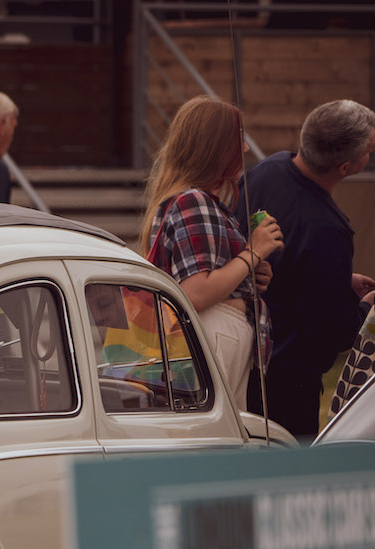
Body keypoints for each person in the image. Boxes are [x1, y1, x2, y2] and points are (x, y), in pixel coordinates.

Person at [238, 99, 375, 438]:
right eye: (369, 149)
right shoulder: (328, 230)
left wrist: (340, 280)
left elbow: (283, 268)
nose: (371, 155)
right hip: (288, 387)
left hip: (241, 365)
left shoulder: (267, 169)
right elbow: (337, 333)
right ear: (344, 167)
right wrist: (364, 307)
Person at [141, 96, 284, 412]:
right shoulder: (193, 200)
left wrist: (248, 268)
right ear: (218, 148)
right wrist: (252, 252)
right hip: (214, 333)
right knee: (215, 440)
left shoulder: (192, 200)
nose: (245, 150)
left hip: (212, 333)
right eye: (239, 140)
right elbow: (196, 292)